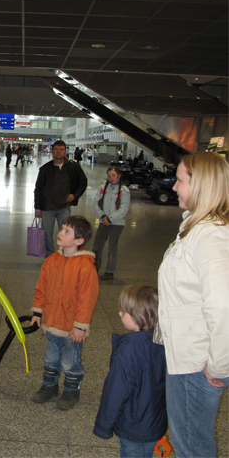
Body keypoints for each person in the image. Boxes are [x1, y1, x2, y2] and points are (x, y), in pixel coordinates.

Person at [156, 151, 229, 458]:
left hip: (196, 366)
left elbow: (223, 304)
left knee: (191, 447)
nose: (174, 187)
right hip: (187, 357)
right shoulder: (196, 227)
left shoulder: (210, 236)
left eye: (181, 179)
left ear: (201, 185)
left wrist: (219, 365)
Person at [30, 216, 99, 410]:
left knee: (71, 362)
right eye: (62, 229)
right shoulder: (52, 260)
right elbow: (41, 287)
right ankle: (49, 387)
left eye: (67, 231)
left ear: (79, 241)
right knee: (50, 358)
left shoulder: (85, 267)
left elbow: (88, 299)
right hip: (52, 322)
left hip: (71, 328)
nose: (60, 233)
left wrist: (80, 326)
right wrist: (37, 312)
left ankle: (71, 391)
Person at [93, 286, 167, 458]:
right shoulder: (163, 343)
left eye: (124, 311)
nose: (119, 314)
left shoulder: (128, 351)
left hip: (133, 425)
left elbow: (116, 392)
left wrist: (103, 426)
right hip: (154, 421)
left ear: (139, 317)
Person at [34, 141, 88, 257]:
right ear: (52, 151)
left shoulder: (73, 167)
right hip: (47, 207)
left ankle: (65, 255)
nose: (59, 151)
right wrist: (37, 208)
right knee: (47, 234)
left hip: (64, 207)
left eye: (61, 149)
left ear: (65, 151)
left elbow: (83, 182)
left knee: (68, 233)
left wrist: (75, 195)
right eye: (56, 149)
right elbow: (38, 189)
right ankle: (50, 257)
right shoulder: (45, 169)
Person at [92, 167, 130, 280]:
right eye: (109, 176)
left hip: (117, 224)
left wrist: (110, 218)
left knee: (112, 248)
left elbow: (124, 208)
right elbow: (96, 203)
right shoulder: (102, 187)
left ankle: (110, 271)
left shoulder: (124, 190)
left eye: (113, 175)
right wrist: (102, 216)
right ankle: (95, 267)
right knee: (97, 246)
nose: (111, 178)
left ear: (119, 175)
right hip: (103, 221)